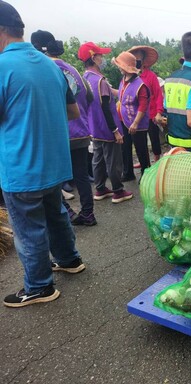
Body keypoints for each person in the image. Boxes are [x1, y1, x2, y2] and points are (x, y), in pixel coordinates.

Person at [0, 1, 85, 307]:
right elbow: (73, 111)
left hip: (22, 166)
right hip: (55, 163)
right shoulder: (50, 65)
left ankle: (39, 286)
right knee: (55, 214)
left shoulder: (2, 67)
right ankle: (69, 259)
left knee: (28, 229)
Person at [31, 30, 97, 226]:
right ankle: (88, 214)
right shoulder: (73, 69)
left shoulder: (42, 68)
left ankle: (67, 212)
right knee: (81, 175)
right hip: (82, 130)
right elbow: (90, 96)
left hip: (59, 132)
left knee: (53, 176)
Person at [79, 42, 133, 204]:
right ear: (93, 58)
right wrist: (115, 130)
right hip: (107, 127)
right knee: (113, 160)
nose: (102, 57)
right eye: (100, 55)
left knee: (98, 158)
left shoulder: (85, 78)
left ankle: (100, 188)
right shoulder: (100, 80)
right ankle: (118, 190)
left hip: (94, 127)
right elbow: (105, 107)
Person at [112, 51, 151, 182]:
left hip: (137, 123)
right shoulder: (124, 80)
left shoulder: (140, 85)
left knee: (141, 149)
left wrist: (135, 123)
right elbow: (122, 95)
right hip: (124, 121)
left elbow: (143, 106)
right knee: (125, 147)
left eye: (120, 65)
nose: (118, 68)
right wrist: (110, 90)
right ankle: (128, 172)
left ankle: (146, 173)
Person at [128, 45, 165, 168]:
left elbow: (159, 95)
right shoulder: (130, 77)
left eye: (139, 59)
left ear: (143, 60)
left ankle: (157, 161)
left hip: (151, 114)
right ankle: (145, 163)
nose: (137, 61)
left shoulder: (150, 76)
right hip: (137, 115)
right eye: (135, 59)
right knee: (140, 143)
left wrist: (159, 112)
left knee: (154, 139)